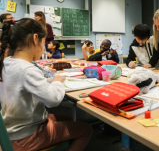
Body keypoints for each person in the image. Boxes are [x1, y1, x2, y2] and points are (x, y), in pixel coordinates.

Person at [0, 18, 92, 151]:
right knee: (86, 130)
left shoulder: (9, 62)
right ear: (35, 39)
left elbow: (30, 83)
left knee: (69, 116)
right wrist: (57, 82)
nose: (44, 47)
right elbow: (53, 100)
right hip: (27, 136)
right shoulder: (26, 69)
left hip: (14, 128)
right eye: (44, 42)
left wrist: (52, 80)